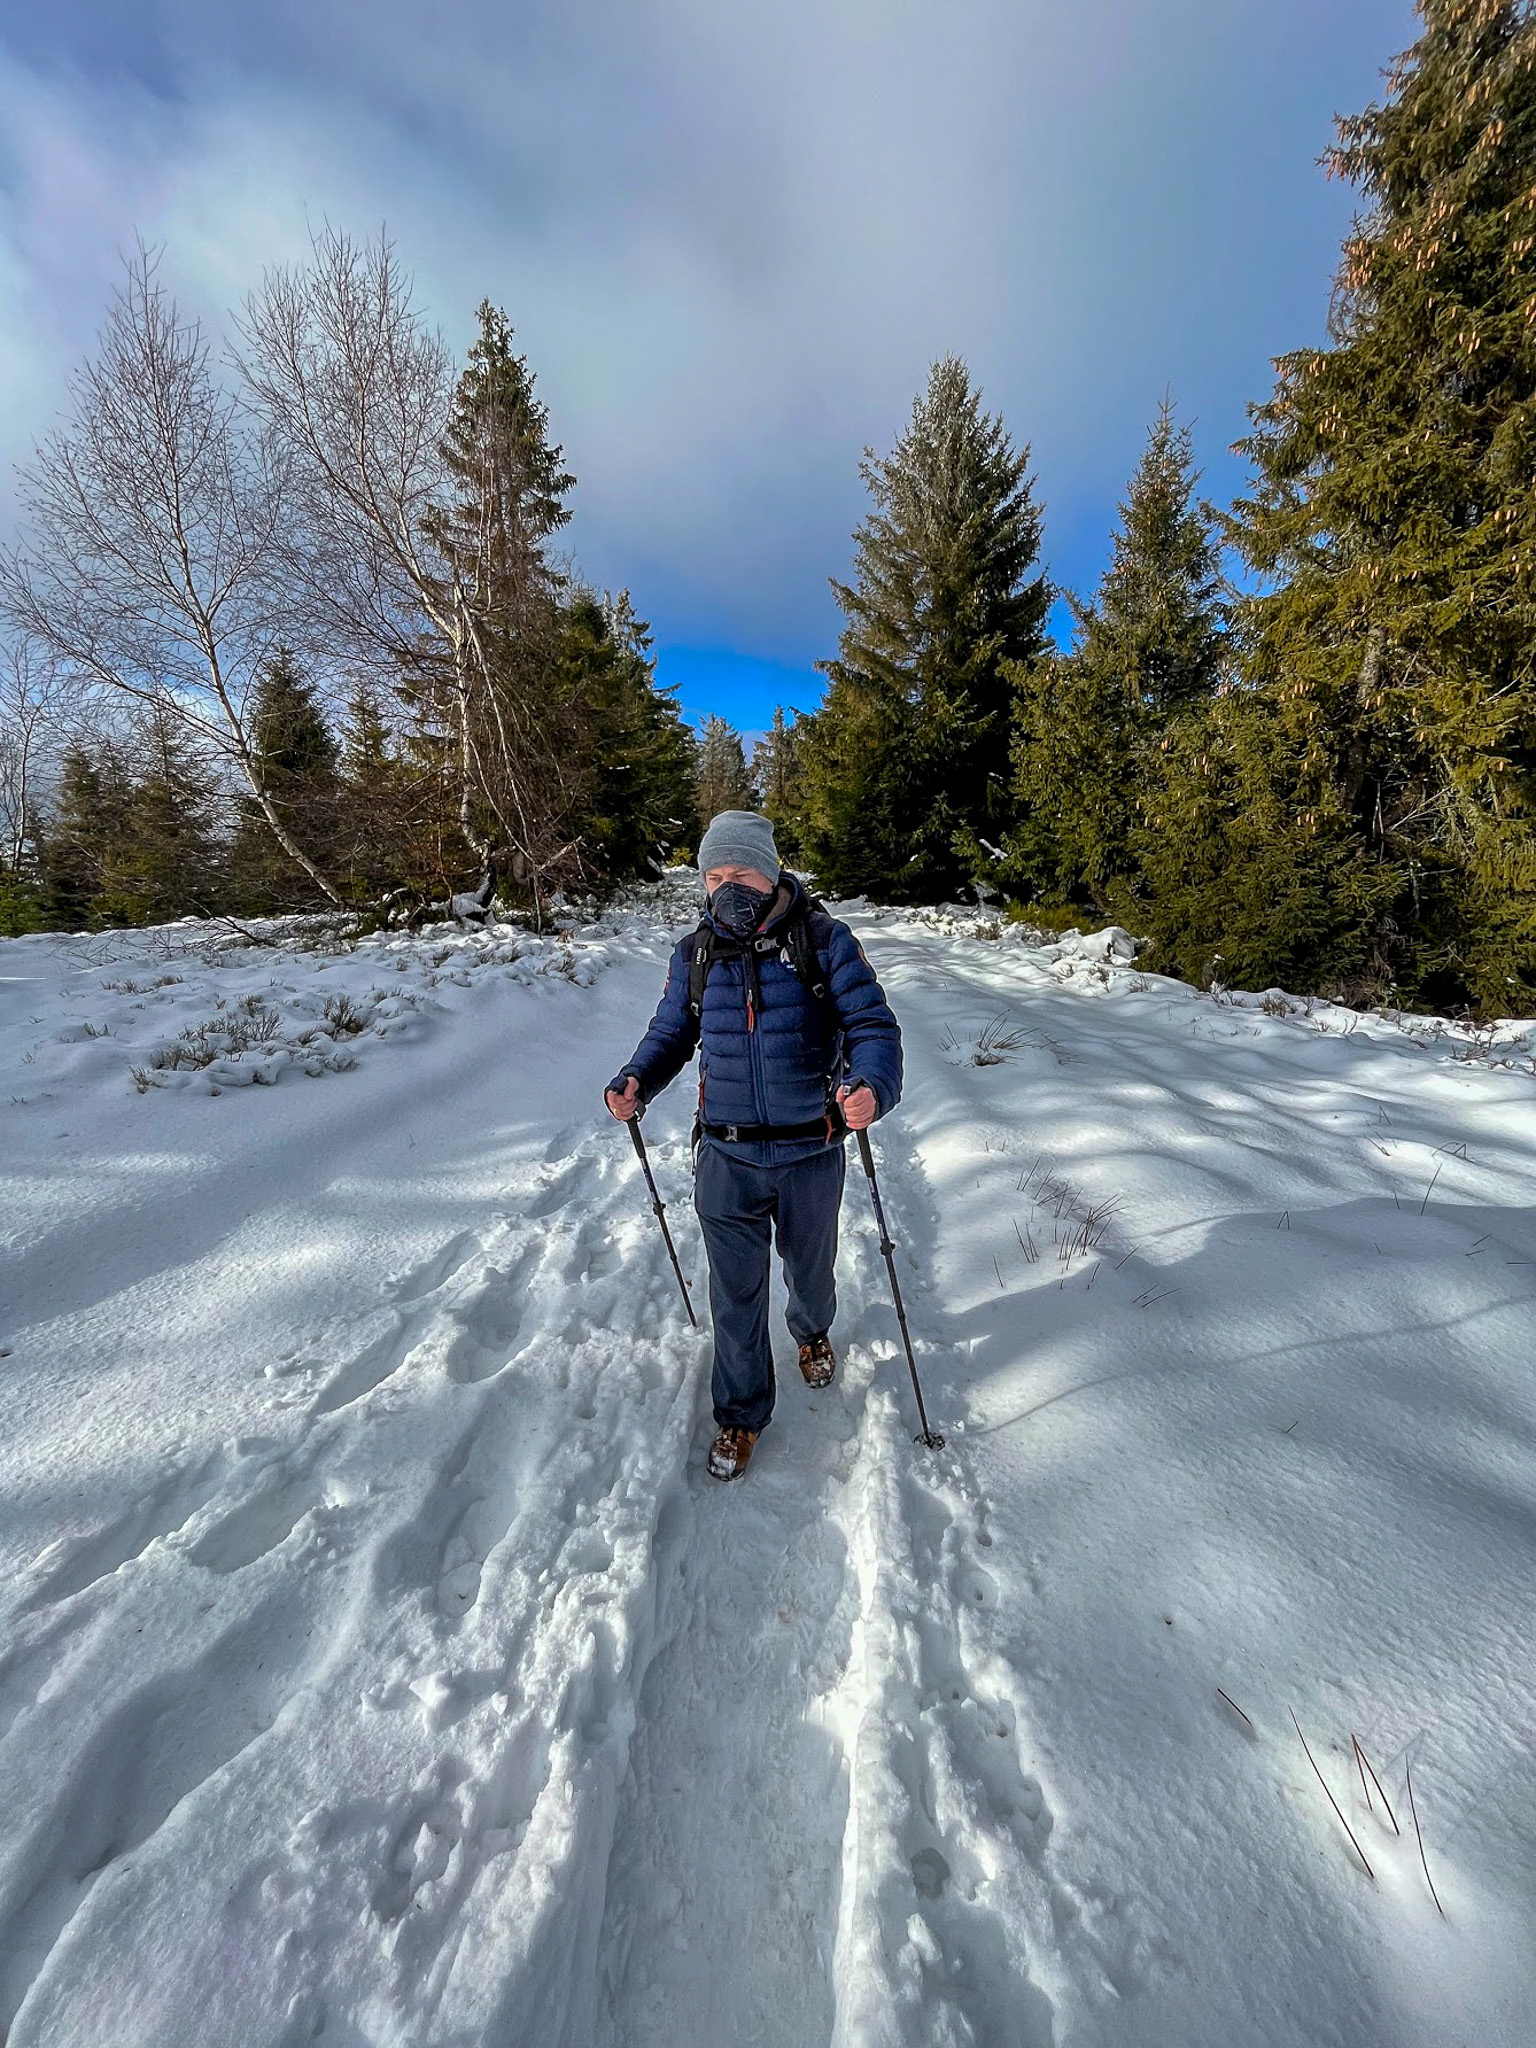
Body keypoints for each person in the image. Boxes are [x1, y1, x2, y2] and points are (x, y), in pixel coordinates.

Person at [605, 811, 903, 1481]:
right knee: (735, 1295)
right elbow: (669, 1035)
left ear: (769, 876)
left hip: (810, 1152)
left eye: (740, 873)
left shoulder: (826, 941)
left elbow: (873, 1028)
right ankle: (740, 1415)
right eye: (714, 876)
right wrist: (636, 1079)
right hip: (727, 1156)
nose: (726, 888)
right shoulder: (694, 954)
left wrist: (871, 1087)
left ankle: (812, 1330)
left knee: (810, 1272)